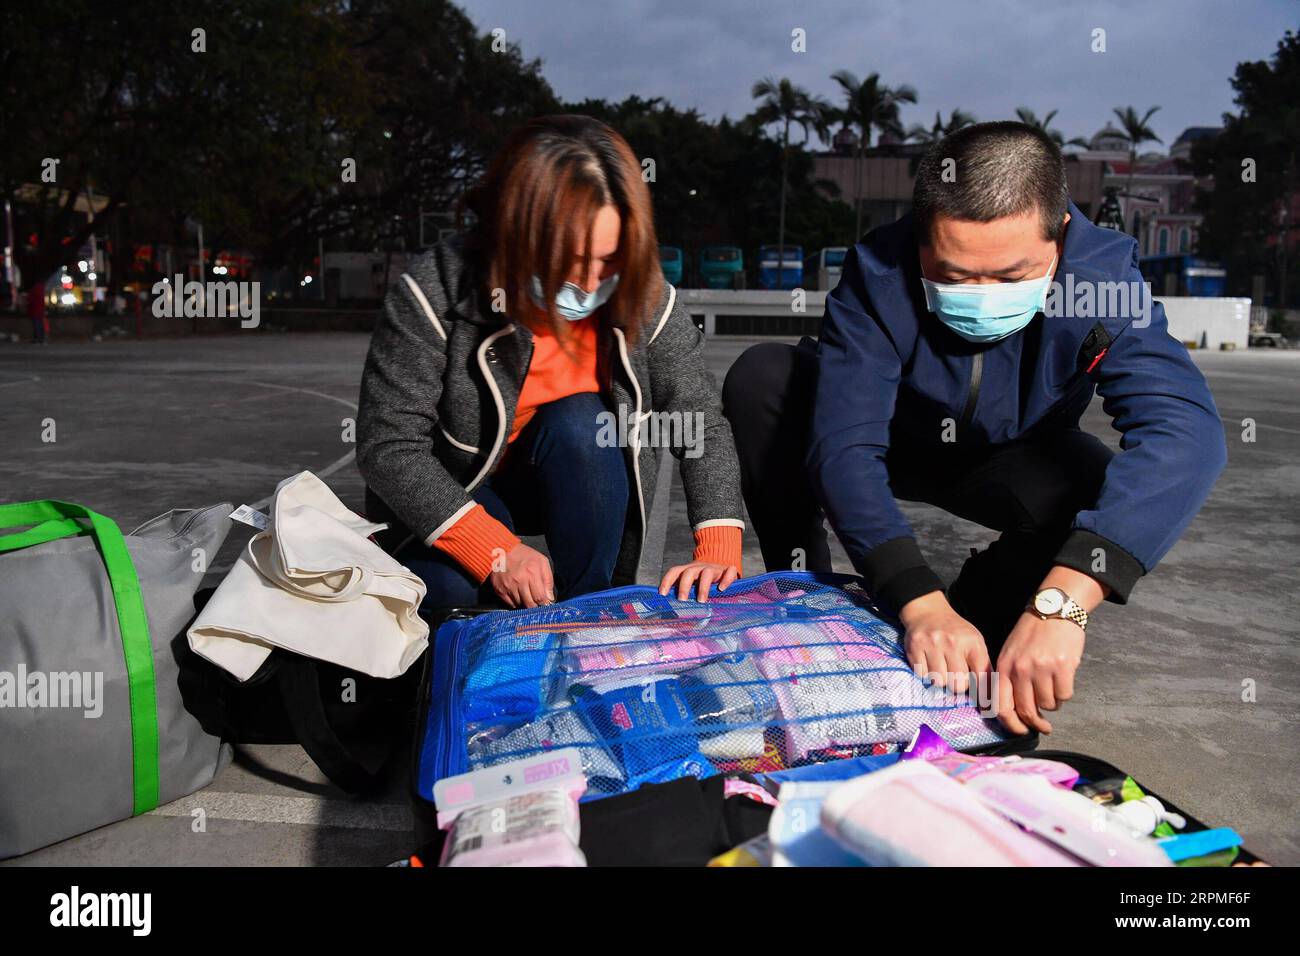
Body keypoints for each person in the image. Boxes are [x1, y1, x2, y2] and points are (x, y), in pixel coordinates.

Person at [723, 121, 1226, 736]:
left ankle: (979, 632)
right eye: (955, 275)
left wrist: (1063, 604)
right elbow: (847, 445)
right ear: (920, 240)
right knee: (764, 375)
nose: (982, 296)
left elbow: (1185, 433)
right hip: (893, 442)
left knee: (1088, 475)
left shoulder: (1099, 282)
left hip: (1009, 456)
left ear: (1061, 234)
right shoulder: (879, 273)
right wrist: (914, 596)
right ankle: (814, 602)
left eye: (1012, 276)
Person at [357, 115, 745, 611]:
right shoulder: (434, 289)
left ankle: (589, 612)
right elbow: (388, 445)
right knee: (454, 598)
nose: (588, 283)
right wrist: (494, 550)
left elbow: (699, 421)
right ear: (515, 236)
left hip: (573, 475)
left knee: (586, 421)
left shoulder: (644, 297)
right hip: (459, 483)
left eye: (608, 259)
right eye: (567, 259)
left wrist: (717, 548)